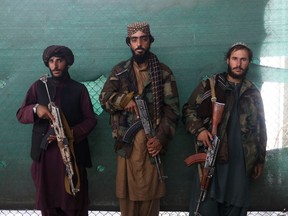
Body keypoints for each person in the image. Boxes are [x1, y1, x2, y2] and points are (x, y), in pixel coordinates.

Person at [99, 22, 180, 216]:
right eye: (134, 40)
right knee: (127, 198)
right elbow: (104, 99)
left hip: (151, 144)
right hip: (127, 145)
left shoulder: (163, 72)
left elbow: (172, 110)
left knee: (150, 197)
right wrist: (123, 100)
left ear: (150, 41)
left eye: (143, 39)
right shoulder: (120, 71)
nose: (139, 44)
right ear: (129, 43)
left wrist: (160, 139)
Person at [182, 42, 267, 216]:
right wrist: (200, 131)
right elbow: (188, 109)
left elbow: (261, 127)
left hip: (241, 164)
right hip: (214, 160)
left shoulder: (252, 92)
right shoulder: (211, 85)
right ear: (228, 60)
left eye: (243, 59)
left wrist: (260, 159)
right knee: (206, 206)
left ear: (249, 62)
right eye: (235, 59)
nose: (239, 63)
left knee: (236, 208)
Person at [16, 45, 97, 216]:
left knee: (73, 203)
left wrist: (67, 134)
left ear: (67, 63)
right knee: (49, 206)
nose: (55, 65)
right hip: (44, 158)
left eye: (60, 61)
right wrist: (36, 108)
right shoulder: (38, 86)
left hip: (71, 156)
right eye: (51, 61)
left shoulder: (79, 89)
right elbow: (21, 114)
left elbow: (91, 120)